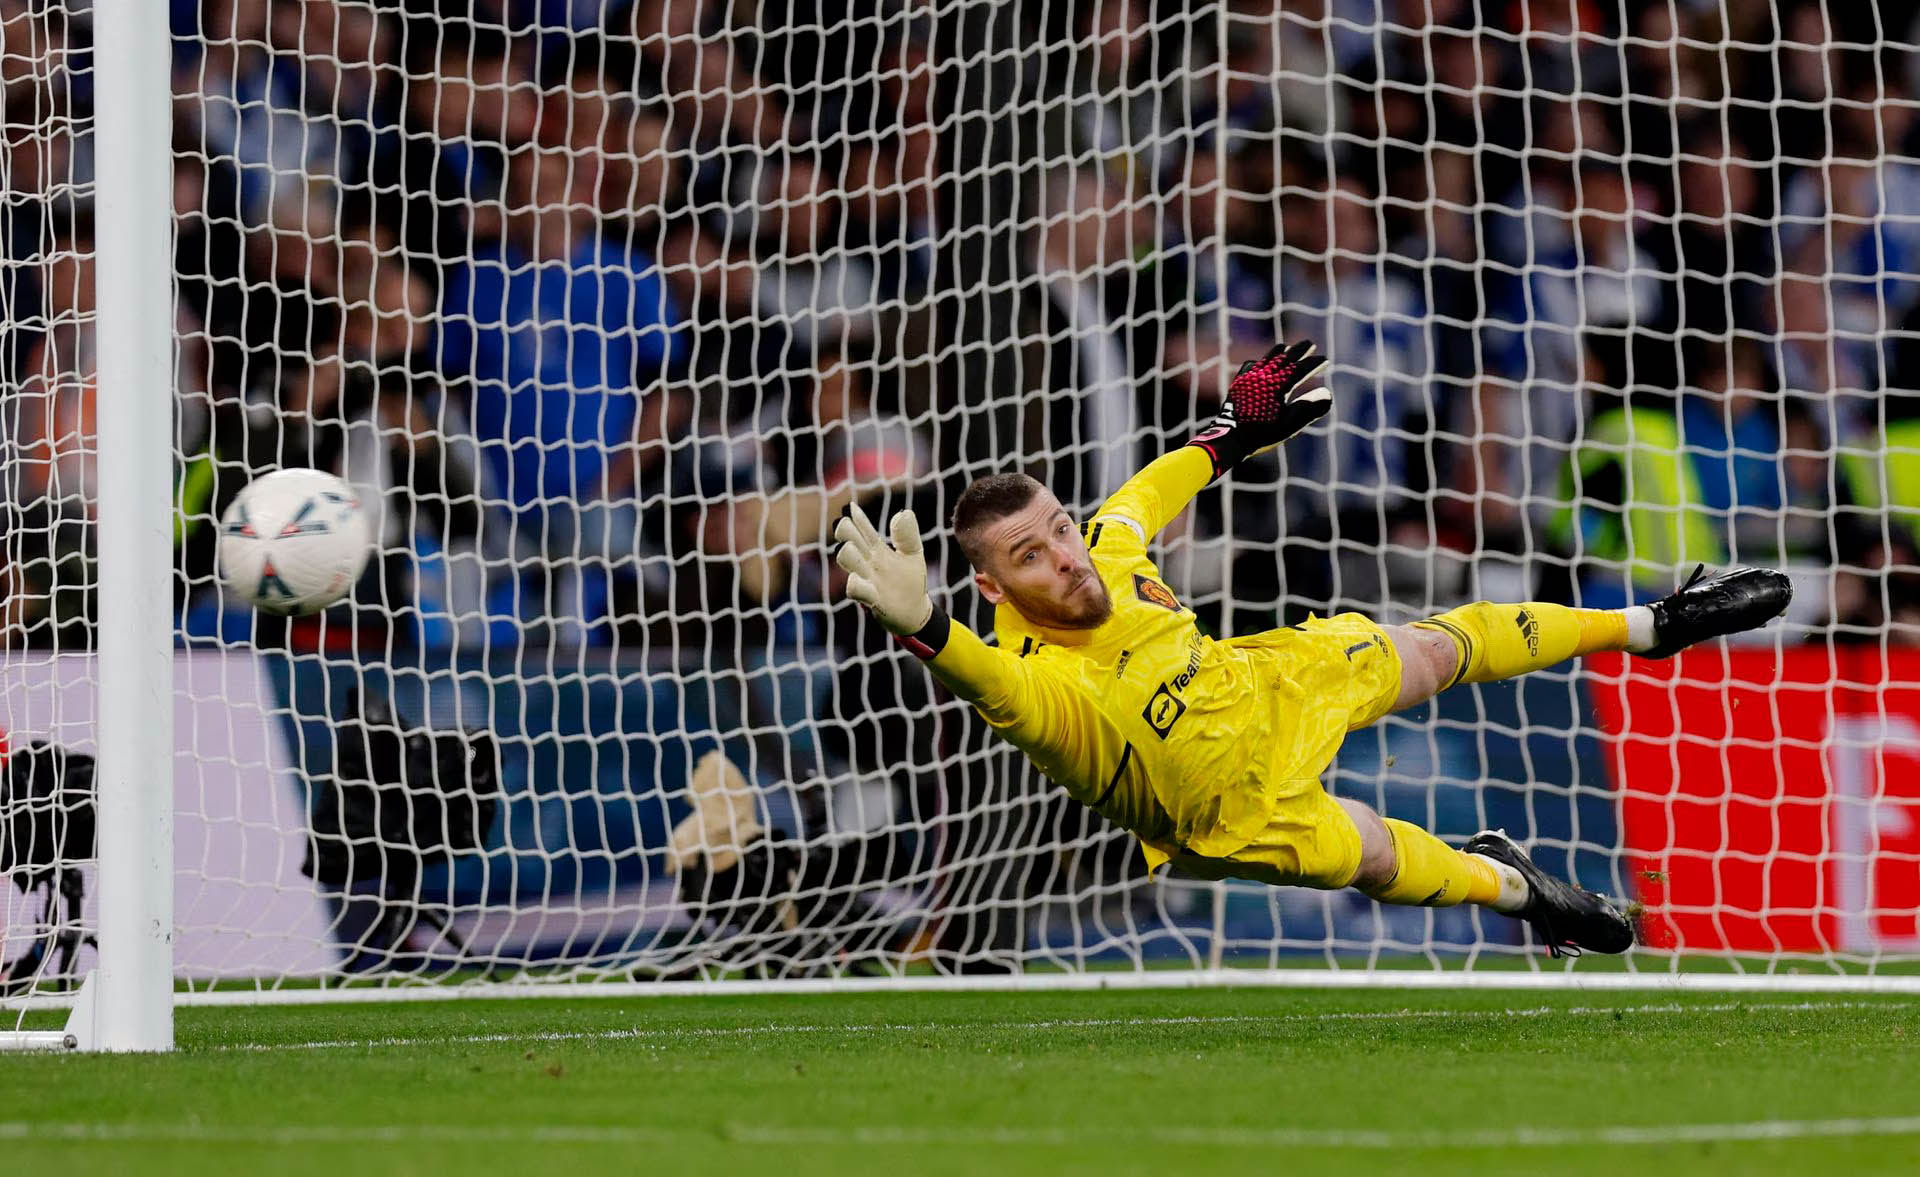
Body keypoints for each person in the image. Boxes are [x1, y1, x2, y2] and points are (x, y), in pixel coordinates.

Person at [831, 340, 1793, 957]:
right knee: (1378, 856)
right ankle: (1519, 887)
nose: (1065, 560)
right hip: (1229, 812)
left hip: (1262, 683)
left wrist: (1232, 434)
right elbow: (987, 681)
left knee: (1433, 646)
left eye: (1059, 530)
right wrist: (927, 629)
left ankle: (1654, 624)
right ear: (993, 587)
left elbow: (1149, 492)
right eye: (1028, 557)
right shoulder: (1041, 683)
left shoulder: (1106, 554)